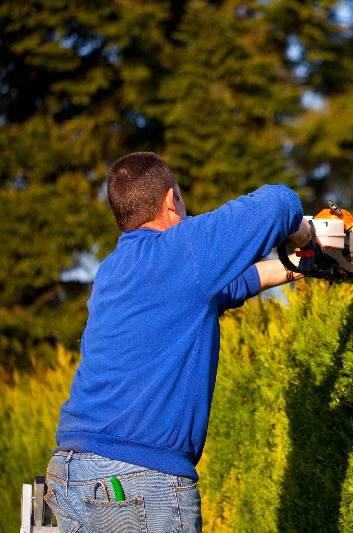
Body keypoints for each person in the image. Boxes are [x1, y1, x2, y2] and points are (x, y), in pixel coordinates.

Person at [43, 152, 311, 532]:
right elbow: (278, 203)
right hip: (136, 481)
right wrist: (306, 233)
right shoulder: (182, 248)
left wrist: (302, 264)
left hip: (71, 472)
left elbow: (232, 286)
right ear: (171, 199)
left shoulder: (115, 270)